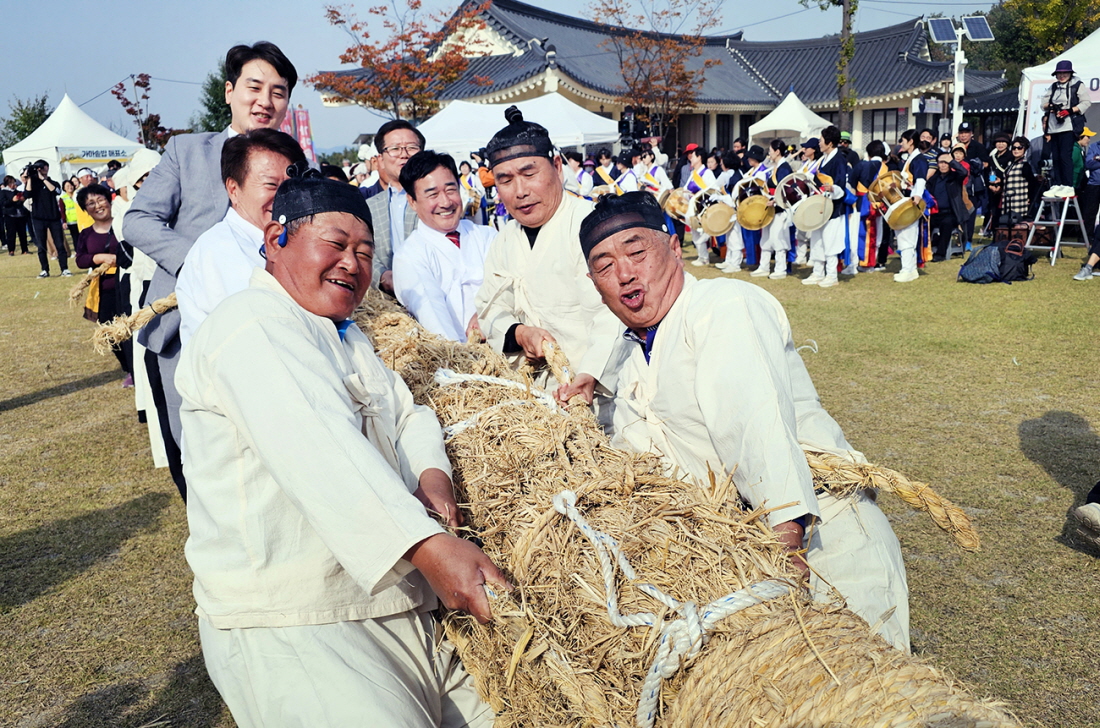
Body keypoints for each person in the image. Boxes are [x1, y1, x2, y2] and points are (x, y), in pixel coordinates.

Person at [176, 173, 507, 727]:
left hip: (393, 604)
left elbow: (406, 413)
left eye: (364, 251)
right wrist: (429, 547)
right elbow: (319, 451)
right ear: (276, 238)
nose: (351, 263)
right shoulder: (249, 324)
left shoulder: (347, 336)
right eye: (334, 244)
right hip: (295, 620)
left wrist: (431, 474)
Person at [561, 191, 909, 651]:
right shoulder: (630, 351)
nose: (624, 274)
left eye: (637, 251)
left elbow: (755, 426)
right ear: (593, 282)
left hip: (819, 539)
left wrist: (786, 549)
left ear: (671, 247)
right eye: (605, 266)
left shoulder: (723, 305)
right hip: (739, 554)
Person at [123, 41, 297, 501]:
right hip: (182, 329)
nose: (265, 101)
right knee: (196, 451)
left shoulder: (294, 163)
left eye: (278, 92)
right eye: (254, 87)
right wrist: (198, 262)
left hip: (270, 324)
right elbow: (138, 220)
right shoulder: (186, 151)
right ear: (228, 91)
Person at [473, 106, 622, 408]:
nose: (520, 191)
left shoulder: (591, 226)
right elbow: (488, 310)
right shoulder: (504, 240)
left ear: (557, 166)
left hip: (601, 396)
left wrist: (589, 375)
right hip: (533, 398)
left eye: (529, 173)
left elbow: (615, 316)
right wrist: (519, 334)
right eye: (505, 180)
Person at [176, 129, 305, 347]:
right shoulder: (220, 251)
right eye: (271, 185)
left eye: (291, 184)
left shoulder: (290, 237)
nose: (284, 195)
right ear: (233, 189)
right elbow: (263, 335)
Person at [392, 151, 496, 343]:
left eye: (450, 190)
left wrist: (487, 315)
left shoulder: (487, 236)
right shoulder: (409, 256)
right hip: (463, 361)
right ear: (412, 201)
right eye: (432, 194)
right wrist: (460, 357)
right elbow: (432, 315)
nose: (446, 202)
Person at [74, 183, 132, 381]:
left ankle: (136, 369)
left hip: (127, 285)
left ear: (109, 201)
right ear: (85, 209)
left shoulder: (125, 225)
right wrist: (98, 257)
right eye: (90, 203)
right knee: (108, 333)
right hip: (103, 290)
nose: (97, 205)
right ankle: (128, 367)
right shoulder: (86, 234)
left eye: (100, 200)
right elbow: (80, 259)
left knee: (130, 329)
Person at [365, 119, 424, 295]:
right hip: (387, 302)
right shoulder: (370, 207)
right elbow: (365, 251)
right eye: (395, 148)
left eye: (412, 147)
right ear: (381, 160)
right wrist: (382, 276)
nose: (404, 154)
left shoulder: (438, 199)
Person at [801, 126, 849, 288]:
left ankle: (831, 274)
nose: (819, 144)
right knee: (817, 240)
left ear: (829, 143)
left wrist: (833, 188)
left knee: (830, 241)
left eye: (821, 141)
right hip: (820, 205)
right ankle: (817, 272)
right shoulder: (824, 158)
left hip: (833, 208)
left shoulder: (839, 160)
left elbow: (841, 185)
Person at [1041, 60, 1091, 188]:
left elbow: (1086, 102)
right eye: (1059, 73)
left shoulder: (1077, 85)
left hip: (1068, 125)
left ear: (1070, 73)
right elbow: (1043, 104)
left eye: (1065, 73)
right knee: (1056, 157)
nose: (1062, 76)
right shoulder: (1053, 87)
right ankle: (1057, 183)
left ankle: (1067, 185)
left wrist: (1068, 111)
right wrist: (1052, 106)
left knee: (1065, 156)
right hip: (1054, 126)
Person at [891, 130, 930, 283]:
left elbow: (920, 179)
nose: (901, 143)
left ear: (910, 141)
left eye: (903, 140)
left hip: (911, 199)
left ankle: (907, 269)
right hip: (907, 197)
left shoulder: (918, 159)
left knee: (907, 235)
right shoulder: (911, 159)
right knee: (905, 234)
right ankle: (910, 268)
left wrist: (917, 195)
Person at [22, 160, 71, 278]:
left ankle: (64, 268)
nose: (40, 170)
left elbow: (56, 191)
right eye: (38, 168)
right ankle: (44, 269)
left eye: (42, 167)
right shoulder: (33, 184)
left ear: (47, 168)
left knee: (59, 244)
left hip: (53, 217)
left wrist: (43, 179)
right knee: (41, 245)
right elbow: (27, 195)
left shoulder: (52, 182)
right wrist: (29, 178)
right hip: (38, 218)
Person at [927, 152, 969, 261]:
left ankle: (940, 254)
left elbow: (964, 171)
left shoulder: (955, 177)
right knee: (924, 224)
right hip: (935, 213)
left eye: (946, 162)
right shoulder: (933, 179)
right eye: (941, 162)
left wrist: (952, 161)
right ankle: (924, 252)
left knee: (946, 224)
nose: (943, 165)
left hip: (951, 213)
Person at [999, 137, 1036, 222]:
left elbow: (1032, 183)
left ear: (1024, 149)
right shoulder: (1009, 163)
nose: (1016, 150)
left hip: (1020, 200)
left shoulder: (1025, 165)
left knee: (1018, 223)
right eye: (1014, 148)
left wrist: (1030, 197)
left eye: (1019, 148)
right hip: (1007, 200)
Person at [1, 176, 31, 255]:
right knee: (11, 234)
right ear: (8, 184)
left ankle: (24, 249)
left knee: (22, 233)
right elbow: (3, 203)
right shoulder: (3, 192)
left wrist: (21, 199)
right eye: (12, 183)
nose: (14, 184)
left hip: (20, 215)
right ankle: (11, 250)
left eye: (14, 182)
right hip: (10, 216)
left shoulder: (17, 191)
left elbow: (20, 201)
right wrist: (12, 200)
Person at [60, 180, 80, 248]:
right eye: (67, 186)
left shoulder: (77, 194)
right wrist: (64, 221)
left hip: (80, 219)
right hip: (71, 221)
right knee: (75, 238)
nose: (70, 187)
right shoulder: (62, 198)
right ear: (64, 188)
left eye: (71, 185)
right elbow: (62, 211)